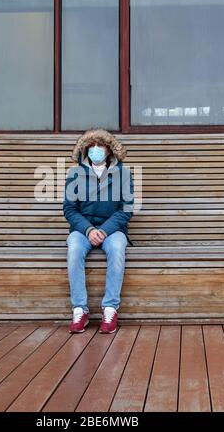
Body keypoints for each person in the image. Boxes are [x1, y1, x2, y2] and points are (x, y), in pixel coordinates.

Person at [63, 128, 134, 334]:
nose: (95, 150)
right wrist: (88, 230)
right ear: (85, 150)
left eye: (100, 146)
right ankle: (79, 310)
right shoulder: (75, 174)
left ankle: (110, 308)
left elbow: (126, 209)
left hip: (113, 230)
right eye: (91, 146)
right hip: (83, 230)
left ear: (109, 150)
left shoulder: (124, 174)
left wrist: (103, 231)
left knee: (117, 249)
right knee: (74, 249)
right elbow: (69, 209)